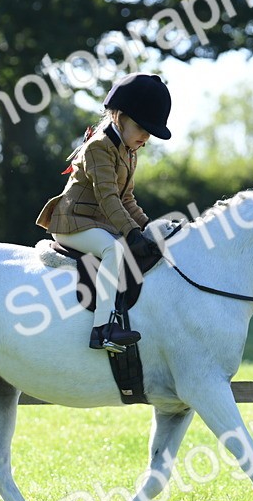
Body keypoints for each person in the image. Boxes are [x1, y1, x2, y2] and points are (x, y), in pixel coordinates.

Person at [36, 72, 170, 351]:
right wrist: (131, 232)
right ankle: (103, 329)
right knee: (115, 250)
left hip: (97, 224)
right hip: (72, 223)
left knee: (132, 246)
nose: (146, 136)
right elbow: (108, 198)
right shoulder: (99, 146)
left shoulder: (129, 151)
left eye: (150, 132)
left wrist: (149, 229)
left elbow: (127, 199)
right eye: (141, 127)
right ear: (119, 116)